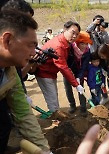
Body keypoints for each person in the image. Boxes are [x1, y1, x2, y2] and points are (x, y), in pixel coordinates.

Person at [0, 9, 51, 154]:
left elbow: (23, 114)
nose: (34, 53)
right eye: (31, 45)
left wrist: (45, 150)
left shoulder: (10, 72)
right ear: (7, 40)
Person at [35, 21, 84, 114]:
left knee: (54, 96)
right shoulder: (59, 45)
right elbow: (62, 66)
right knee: (52, 99)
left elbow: (68, 61)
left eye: (77, 34)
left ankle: (56, 115)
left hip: (51, 72)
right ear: (65, 30)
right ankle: (57, 122)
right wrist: (76, 85)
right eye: (72, 32)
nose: (74, 36)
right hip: (44, 73)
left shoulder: (66, 43)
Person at [63, 31, 92, 115]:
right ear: (77, 42)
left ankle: (83, 107)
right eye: (83, 44)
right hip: (68, 71)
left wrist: (79, 76)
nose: (85, 46)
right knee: (68, 88)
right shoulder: (70, 49)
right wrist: (70, 73)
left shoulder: (87, 51)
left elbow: (84, 65)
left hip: (79, 71)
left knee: (81, 88)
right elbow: (66, 61)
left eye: (87, 44)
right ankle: (72, 105)